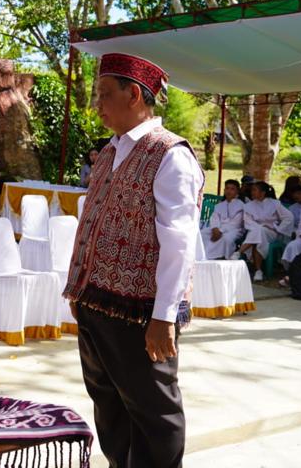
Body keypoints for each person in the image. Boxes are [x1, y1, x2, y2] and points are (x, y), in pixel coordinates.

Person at [63, 53, 202, 468]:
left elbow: (179, 241)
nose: (98, 104)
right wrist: (79, 290)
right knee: (109, 406)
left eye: (106, 94)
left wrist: (164, 317)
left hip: (141, 315)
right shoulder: (110, 151)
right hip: (96, 305)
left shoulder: (170, 155)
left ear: (135, 94)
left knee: (154, 414)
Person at [233, 181, 294, 282]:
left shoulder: (275, 204)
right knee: (259, 234)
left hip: (272, 233)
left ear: (263, 192)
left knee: (258, 233)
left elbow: (289, 217)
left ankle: (239, 252)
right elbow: (248, 222)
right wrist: (260, 226)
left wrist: (278, 228)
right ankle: (258, 270)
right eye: (252, 190)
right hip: (256, 232)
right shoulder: (249, 206)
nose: (252, 192)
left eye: (254, 190)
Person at [200, 179, 245, 260]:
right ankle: (204, 256)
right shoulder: (219, 205)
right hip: (216, 229)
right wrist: (215, 229)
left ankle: (223, 258)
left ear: (237, 191)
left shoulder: (241, 205)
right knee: (202, 234)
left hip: (234, 230)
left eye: (232, 189)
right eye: (227, 188)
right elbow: (214, 218)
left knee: (226, 238)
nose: (229, 191)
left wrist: (220, 231)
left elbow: (236, 224)